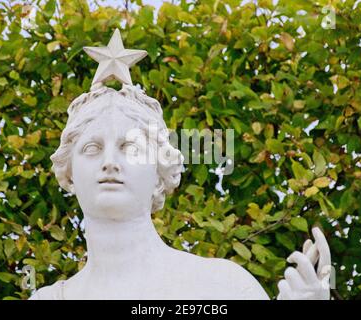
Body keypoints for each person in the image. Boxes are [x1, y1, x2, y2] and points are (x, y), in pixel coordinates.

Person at [29, 29, 331, 300]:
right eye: (92, 148)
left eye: (131, 147)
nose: (110, 163)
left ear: (160, 172)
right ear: (68, 172)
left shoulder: (222, 288)